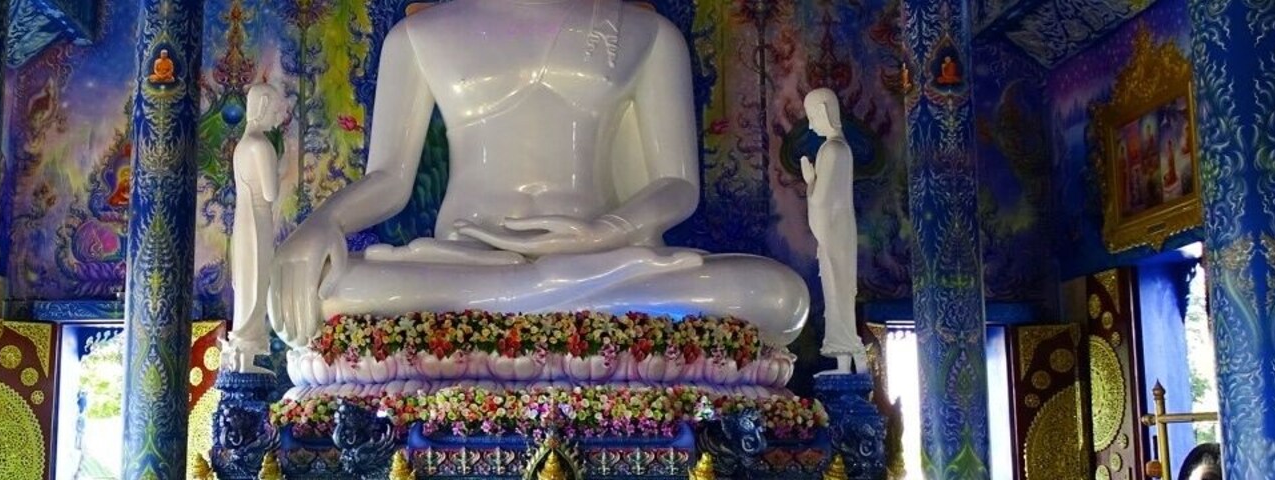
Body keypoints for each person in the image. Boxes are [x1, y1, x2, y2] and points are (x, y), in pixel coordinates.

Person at [268, 0, 809, 353]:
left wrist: (608, 230)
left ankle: (522, 300)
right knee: (321, 292)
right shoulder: (420, 36)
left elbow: (677, 184)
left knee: (778, 295)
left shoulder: (645, 32)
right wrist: (321, 225)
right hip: (464, 258)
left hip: (602, 257)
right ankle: (543, 299)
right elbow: (389, 178)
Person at [801, 88, 866, 374]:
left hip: (835, 231)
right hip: (839, 229)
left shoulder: (832, 150)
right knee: (837, 290)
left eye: (813, 116)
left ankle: (854, 352)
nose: (811, 123)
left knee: (838, 290)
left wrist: (810, 181)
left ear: (825, 112)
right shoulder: (840, 148)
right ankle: (846, 360)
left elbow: (820, 199)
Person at [221, 84, 285, 374]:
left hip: (242, 221)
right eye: (273, 110)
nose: (277, 116)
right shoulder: (261, 146)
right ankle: (245, 353)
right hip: (258, 220)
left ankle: (243, 358)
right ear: (260, 107)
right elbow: (271, 193)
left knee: (247, 284)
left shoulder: (242, 147)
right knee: (256, 282)